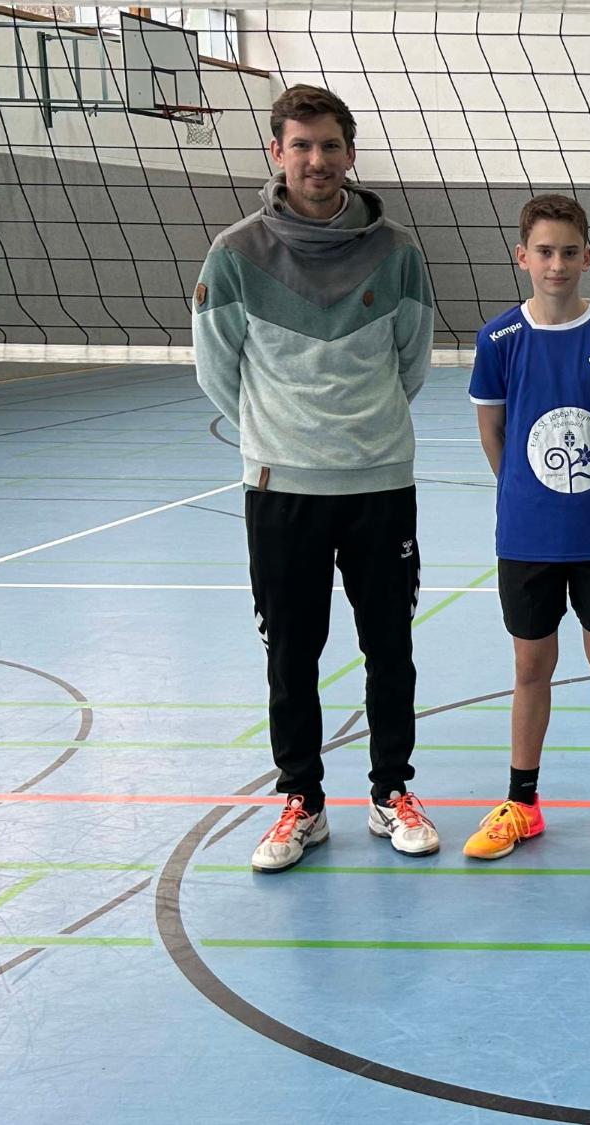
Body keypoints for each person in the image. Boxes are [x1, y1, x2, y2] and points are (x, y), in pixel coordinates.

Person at [194, 84, 440, 873]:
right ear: (276, 153)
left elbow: (412, 358)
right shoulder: (235, 255)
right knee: (291, 653)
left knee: (390, 648)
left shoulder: (397, 251)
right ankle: (301, 799)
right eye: (300, 145)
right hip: (282, 486)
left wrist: (359, 432)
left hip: (377, 482)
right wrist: (285, 434)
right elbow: (216, 372)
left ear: (350, 153)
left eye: (330, 145)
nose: (316, 160)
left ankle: (390, 791)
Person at [464, 194, 590, 860]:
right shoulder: (500, 340)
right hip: (526, 534)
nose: (557, 263)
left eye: (570, 251)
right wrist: (525, 488)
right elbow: (493, 432)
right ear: (523, 257)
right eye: (544, 251)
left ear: (588, 257)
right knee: (530, 665)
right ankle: (522, 801)